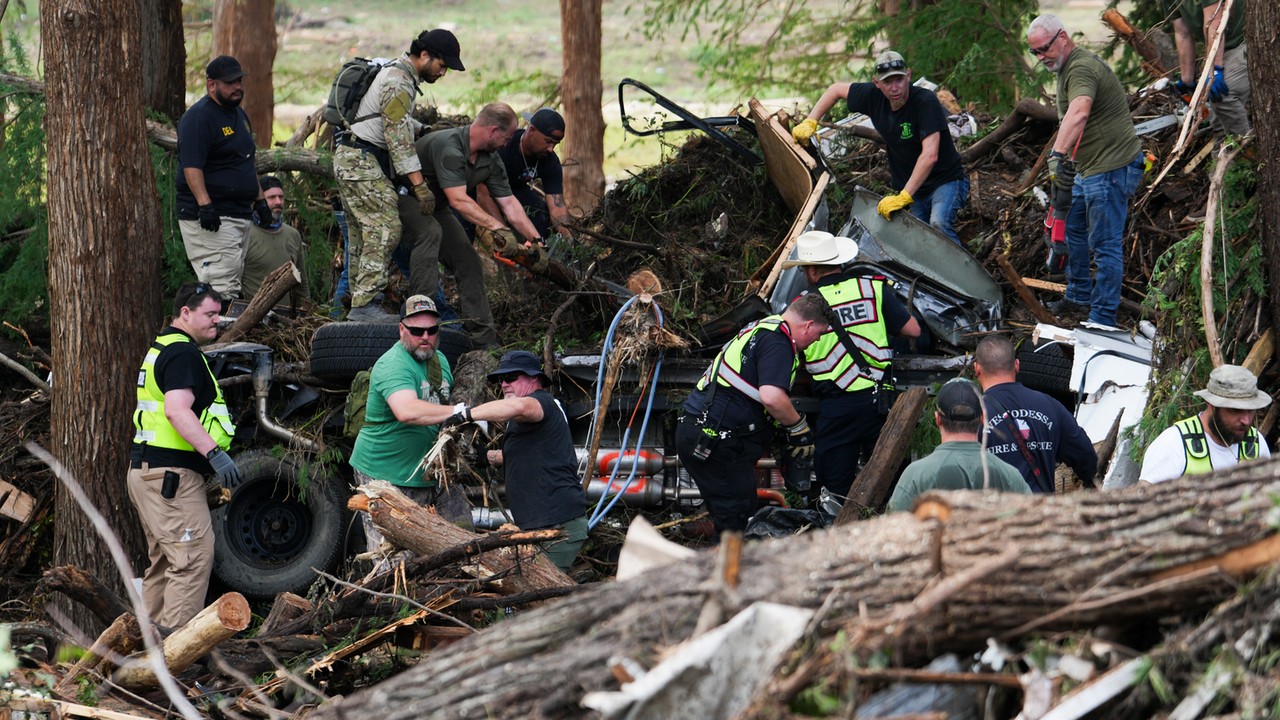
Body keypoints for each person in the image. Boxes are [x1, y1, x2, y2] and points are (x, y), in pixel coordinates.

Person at [128, 282, 241, 627]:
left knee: (166, 563)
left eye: (219, 314)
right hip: (170, 477)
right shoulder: (182, 353)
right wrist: (214, 453)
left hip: (150, 473)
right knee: (191, 560)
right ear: (186, 313)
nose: (217, 320)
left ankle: (146, 650)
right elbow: (177, 410)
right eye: (210, 314)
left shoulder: (163, 346)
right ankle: (176, 653)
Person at [333, 29, 464, 323]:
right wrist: (420, 186)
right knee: (385, 228)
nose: (443, 73)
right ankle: (366, 304)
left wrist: (422, 129)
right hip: (362, 162)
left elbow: (392, 117)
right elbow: (397, 140)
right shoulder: (398, 81)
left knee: (362, 233)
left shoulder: (396, 73)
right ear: (425, 55)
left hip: (352, 158)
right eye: (442, 65)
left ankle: (355, 301)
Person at [675, 293, 833, 534]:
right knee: (735, 514)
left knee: (735, 509)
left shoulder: (762, 328)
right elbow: (772, 397)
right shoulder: (778, 340)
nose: (816, 341)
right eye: (819, 334)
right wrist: (799, 428)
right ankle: (726, 559)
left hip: (704, 432)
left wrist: (774, 435)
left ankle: (725, 555)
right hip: (715, 439)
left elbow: (751, 392)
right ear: (809, 325)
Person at [1027, 15, 1144, 329]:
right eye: (1035, 52)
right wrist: (1067, 162)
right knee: (1073, 229)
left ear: (1063, 37)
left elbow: (1079, 112)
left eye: (1044, 48)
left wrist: (1056, 156)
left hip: (1111, 168)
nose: (1041, 57)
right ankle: (1079, 296)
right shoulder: (1066, 67)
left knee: (1105, 245)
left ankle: (1102, 319)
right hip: (1088, 168)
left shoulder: (1080, 68)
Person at [785, 230, 921, 499]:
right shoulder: (872, 289)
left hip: (836, 408)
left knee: (834, 490)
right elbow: (913, 330)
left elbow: (789, 345)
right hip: (878, 403)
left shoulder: (803, 305)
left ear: (812, 271)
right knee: (891, 485)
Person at [400, 102, 545, 348]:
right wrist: (498, 229)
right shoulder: (450, 147)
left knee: (467, 259)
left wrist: (536, 240)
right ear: (493, 130)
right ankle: (419, 322)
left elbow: (509, 202)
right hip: (405, 198)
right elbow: (458, 200)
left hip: (436, 206)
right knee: (430, 234)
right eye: (507, 137)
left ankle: (483, 340)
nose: (508, 143)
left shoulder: (490, 159)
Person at [792, 50, 969, 244]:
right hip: (916, 188)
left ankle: (963, 266)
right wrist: (810, 121)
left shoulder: (925, 102)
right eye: (887, 82)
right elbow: (835, 90)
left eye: (899, 80)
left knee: (939, 224)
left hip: (946, 181)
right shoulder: (872, 96)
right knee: (919, 241)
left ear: (908, 76)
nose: (894, 87)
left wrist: (904, 196)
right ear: (877, 83)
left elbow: (930, 155)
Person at [445, 351, 588, 572]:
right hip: (538, 525)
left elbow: (520, 407)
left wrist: (466, 414)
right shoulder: (526, 419)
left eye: (511, 377)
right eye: (501, 379)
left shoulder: (541, 402)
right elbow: (527, 454)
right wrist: (486, 457)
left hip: (557, 525)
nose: (504, 384)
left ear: (534, 378)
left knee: (543, 590)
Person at [349, 295, 460, 550]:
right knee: (393, 557)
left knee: (462, 543)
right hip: (386, 475)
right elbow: (406, 411)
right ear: (401, 329)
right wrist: (460, 411)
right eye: (417, 331)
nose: (425, 337)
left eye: (432, 330)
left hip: (430, 474)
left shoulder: (440, 361)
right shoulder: (392, 364)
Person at [176, 56, 270, 300]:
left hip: (240, 214)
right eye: (230, 83)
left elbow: (244, 162)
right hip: (213, 217)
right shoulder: (199, 117)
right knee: (222, 288)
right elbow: (191, 167)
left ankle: (230, 324)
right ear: (211, 85)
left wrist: (260, 200)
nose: (237, 87)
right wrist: (205, 205)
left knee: (233, 283)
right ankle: (221, 326)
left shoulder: (239, 115)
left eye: (239, 81)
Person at [973, 335, 1098, 493]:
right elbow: (1085, 456)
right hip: (1040, 507)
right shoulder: (1050, 405)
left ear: (976, 368)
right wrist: (1088, 479)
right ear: (1017, 365)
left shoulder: (972, 414)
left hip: (991, 507)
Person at [886, 379, 1030, 512]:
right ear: (982, 418)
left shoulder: (916, 475)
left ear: (937, 419)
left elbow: (894, 526)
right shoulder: (1010, 475)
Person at [1139, 364, 1272, 484]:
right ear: (1211, 404)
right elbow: (1143, 500)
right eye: (1235, 410)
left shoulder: (1256, 443)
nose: (1246, 421)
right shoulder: (1174, 444)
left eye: (1250, 411)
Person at [476, 108, 574, 241]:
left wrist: (568, 236)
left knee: (539, 211)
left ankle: (539, 247)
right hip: (479, 189)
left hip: (514, 190)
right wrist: (502, 233)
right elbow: (482, 194)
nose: (551, 149)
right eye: (548, 141)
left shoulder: (550, 161)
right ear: (532, 130)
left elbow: (557, 207)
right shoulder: (504, 146)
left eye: (555, 144)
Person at [1166, 0, 1250, 137]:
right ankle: (1223, 148)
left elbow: (1214, 20)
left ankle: (1244, 145)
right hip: (1221, 50)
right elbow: (1182, 33)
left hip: (1245, 40)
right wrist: (1187, 79)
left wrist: (1214, 70)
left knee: (1224, 95)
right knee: (1218, 118)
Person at [241, 176, 308, 302]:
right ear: (258, 201)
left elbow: (302, 284)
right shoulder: (244, 233)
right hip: (253, 312)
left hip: (287, 313)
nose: (278, 201)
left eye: (281, 197)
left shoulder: (293, 234)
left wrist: (306, 307)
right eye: (272, 197)